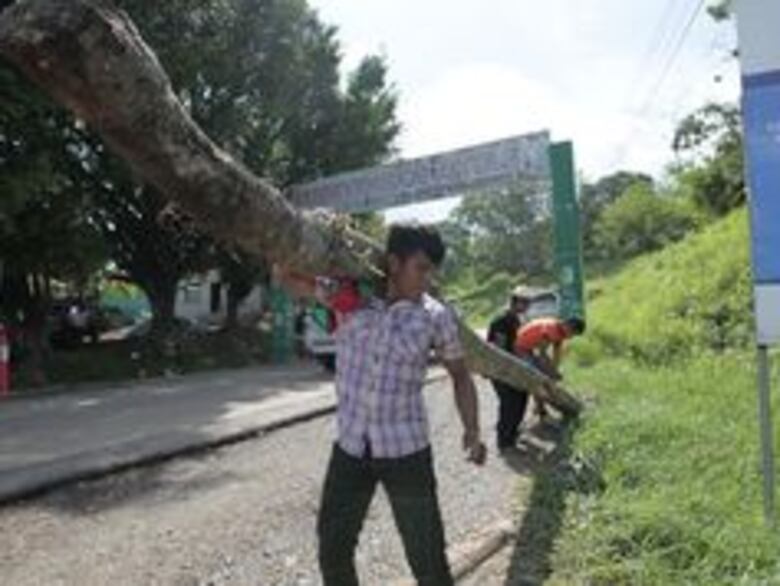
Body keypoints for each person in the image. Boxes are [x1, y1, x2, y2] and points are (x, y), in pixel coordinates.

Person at [275, 224, 486, 586]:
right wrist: (280, 241)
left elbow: (460, 375)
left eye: (432, 269)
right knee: (333, 549)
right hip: (351, 448)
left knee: (428, 560)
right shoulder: (350, 297)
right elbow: (290, 279)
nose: (428, 277)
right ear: (394, 262)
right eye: (421, 267)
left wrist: (472, 430)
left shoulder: (435, 316)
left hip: (406, 452)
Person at [513, 316, 586, 419]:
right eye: (572, 333)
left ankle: (541, 405)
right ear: (568, 326)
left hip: (531, 348)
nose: (571, 337)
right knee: (536, 376)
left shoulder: (561, 332)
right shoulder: (550, 329)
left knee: (547, 376)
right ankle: (540, 408)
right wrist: (552, 371)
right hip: (521, 347)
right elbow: (542, 354)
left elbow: (557, 354)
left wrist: (555, 371)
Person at [486, 287, 531, 451]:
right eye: (525, 302)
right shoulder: (501, 320)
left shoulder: (515, 320)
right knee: (509, 403)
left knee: (521, 398)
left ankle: (512, 435)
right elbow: (499, 349)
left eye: (529, 302)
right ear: (515, 302)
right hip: (501, 369)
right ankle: (505, 442)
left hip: (513, 368)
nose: (528, 305)